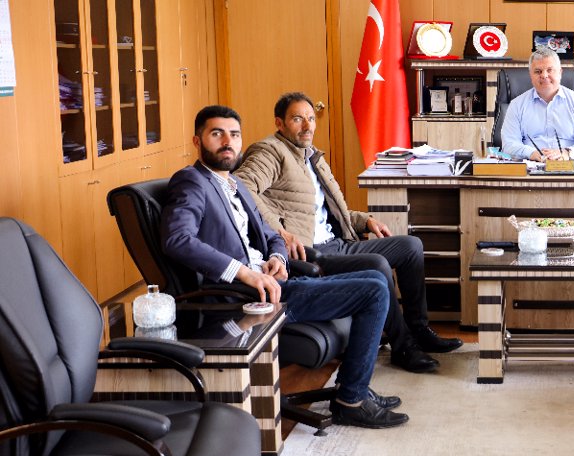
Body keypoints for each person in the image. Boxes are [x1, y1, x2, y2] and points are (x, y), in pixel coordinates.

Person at [162, 105, 408, 428]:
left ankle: (353, 387)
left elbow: (271, 235)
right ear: (197, 141)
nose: (227, 142)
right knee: (374, 291)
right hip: (245, 296)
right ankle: (352, 400)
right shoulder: (192, 181)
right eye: (217, 134)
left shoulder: (235, 185)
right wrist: (244, 272)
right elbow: (178, 239)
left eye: (234, 135)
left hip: (274, 282)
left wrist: (277, 258)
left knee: (374, 276)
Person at [236, 92, 463, 374]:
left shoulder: (313, 156)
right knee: (377, 264)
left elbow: (326, 210)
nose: (307, 126)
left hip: (339, 242)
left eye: (310, 118)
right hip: (311, 252)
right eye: (297, 119)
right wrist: (280, 232)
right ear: (279, 123)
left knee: (411, 246)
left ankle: (419, 330)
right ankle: (403, 346)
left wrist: (364, 220)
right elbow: (242, 186)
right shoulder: (270, 151)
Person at [500, 46, 574, 162]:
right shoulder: (517, 105)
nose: (544, 75)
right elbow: (509, 145)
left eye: (550, 70)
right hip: (530, 165)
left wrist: (567, 153)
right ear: (530, 75)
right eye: (538, 71)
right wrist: (532, 153)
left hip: (569, 166)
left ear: (560, 72)